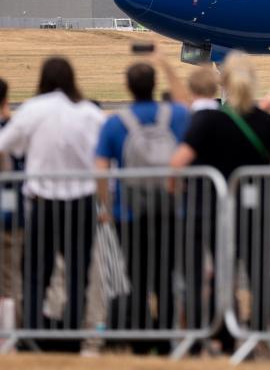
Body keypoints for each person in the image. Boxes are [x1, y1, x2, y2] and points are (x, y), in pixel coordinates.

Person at [170, 51, 270, 355]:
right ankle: (258, 332)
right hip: (257, 210)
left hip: (213, 210)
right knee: (259, 271)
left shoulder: (210, 119)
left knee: (220, 273)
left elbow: (178, 162)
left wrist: (176, 189)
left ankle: (222, 335)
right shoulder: (264, 121)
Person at [0, 58, 104, 350]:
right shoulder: (87, 113)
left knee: (35, 272)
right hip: (81, 201)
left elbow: (6, 144)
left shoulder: (33, 110)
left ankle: (32, 334)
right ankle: (71, 336)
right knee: (77, 272)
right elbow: (103, 153)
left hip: (43, 202)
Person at [94, 58, 190, 352]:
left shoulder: (115, 124)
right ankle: (164, 342)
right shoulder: (173, 115)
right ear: (154, 85)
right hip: (169, 208)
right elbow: (187, 104)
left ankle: (140, 341)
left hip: (129, 211)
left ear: (128, 87)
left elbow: (100, 169)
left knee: (135, 277)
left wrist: (106, 207)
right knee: (165, 276)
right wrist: (167, 65)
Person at [0, 78, 24, 329]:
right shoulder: (14, 130)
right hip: (11, 213)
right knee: (11, 279)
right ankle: (11, 333)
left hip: (9, 214)